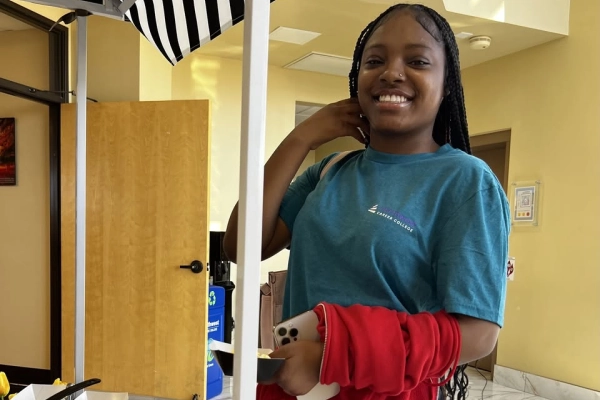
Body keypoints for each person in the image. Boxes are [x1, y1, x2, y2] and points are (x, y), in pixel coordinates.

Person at [223, 3, 510, 400]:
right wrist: (300, 139)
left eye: (418, 61)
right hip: (299, 388)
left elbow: (480, 335)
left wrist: (332, 353)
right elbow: (239, 245)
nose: (391, 71)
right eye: (374, 60)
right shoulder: (329, 171)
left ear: (447, 85)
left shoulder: (466, 182)